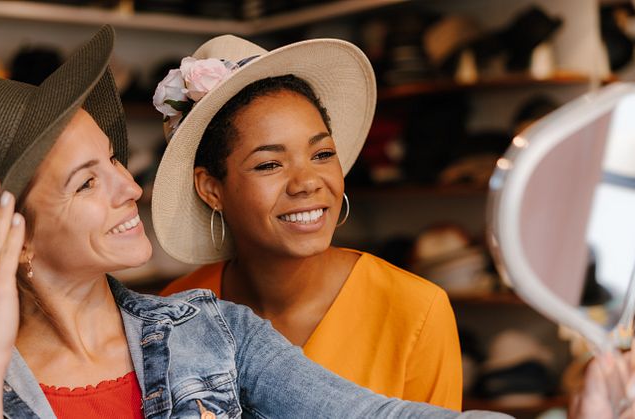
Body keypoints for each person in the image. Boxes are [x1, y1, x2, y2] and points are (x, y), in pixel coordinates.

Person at [0, 25, 513, 418]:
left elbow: (381, 416)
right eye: (86, 181)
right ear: (11, 239)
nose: (131, 188)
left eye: (113, 161)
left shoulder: (210, 330)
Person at [151, 34, 462, 407]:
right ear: (212, 189)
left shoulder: (415, 311)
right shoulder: (179, 313)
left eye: (322, 154)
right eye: (269, 164)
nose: (308, 183)